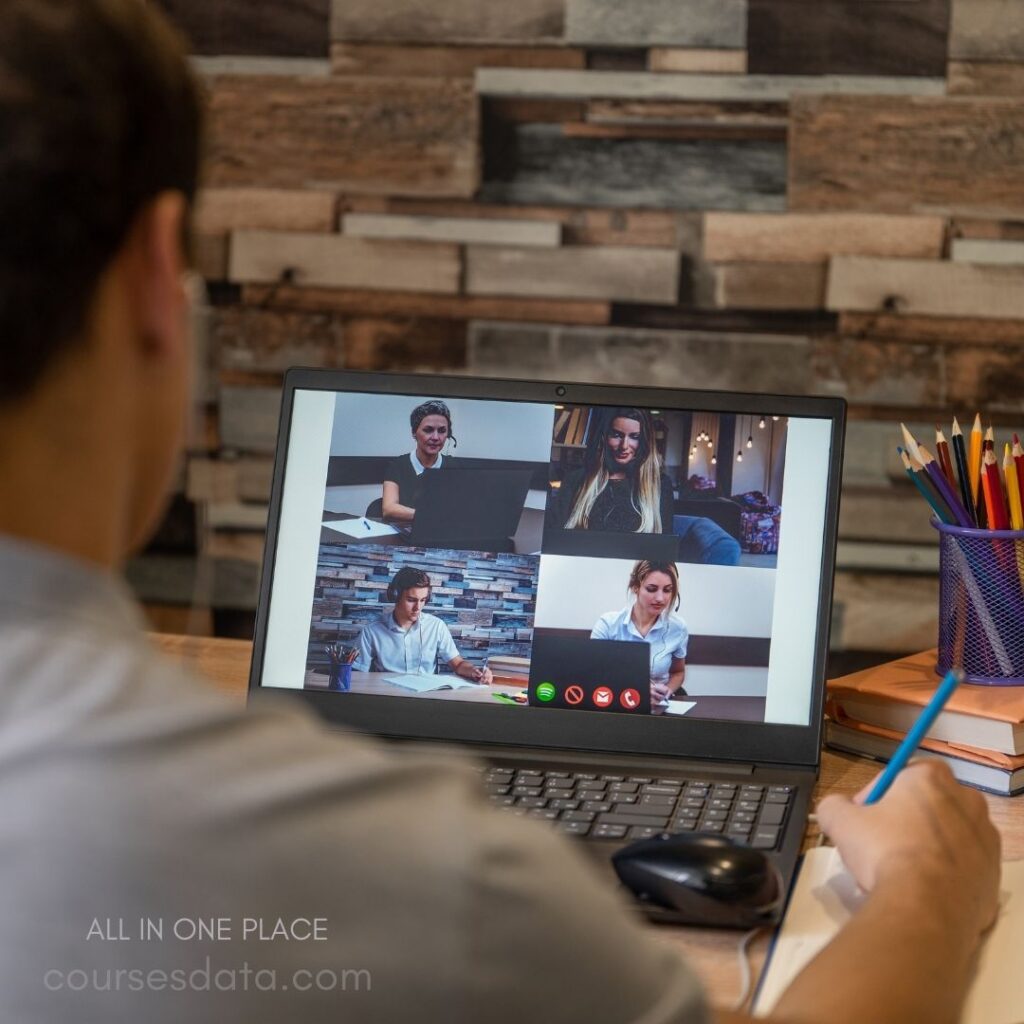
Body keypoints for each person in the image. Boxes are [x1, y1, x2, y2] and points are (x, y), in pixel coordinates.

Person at [0, 3, 1002, 1022]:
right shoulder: (424, 866)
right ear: (151, 276)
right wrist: (930, 885)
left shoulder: (624, 551)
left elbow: (529, 663)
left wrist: (500, 667)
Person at [548, 407, 675, 535]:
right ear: (604, 436)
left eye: (634, 437)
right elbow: (554, 535)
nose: (624, 446)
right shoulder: (576, 479)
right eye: (616, 435)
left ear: (645, 441)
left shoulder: (661, 485)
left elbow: (664, 546)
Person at [355, 566, 493, 683]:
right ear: (395, 595)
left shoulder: (436, 626)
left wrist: (474, 670)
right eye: (411, 600)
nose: (418, 607)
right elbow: (358, 676)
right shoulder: (371, 632)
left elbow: (458, 664)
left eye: (423, 600)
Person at [591, 560, 688, 709]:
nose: (660, 598)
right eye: (651, 589)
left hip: (658, 706)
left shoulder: (678, 628)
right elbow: (595, 672)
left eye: (667, 590)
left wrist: (667, 691)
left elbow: (678, 672)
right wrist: (639, 689)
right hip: (616, 701)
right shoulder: (608, 624)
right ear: (636, 587)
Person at [380, 399, 457, 523]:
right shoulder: (397, 465)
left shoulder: (455, 467)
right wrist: (429, 516)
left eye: (442, 431)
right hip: (404, 536)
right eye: (428, 430)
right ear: (414, 433)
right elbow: (389, 509)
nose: (436, 437)